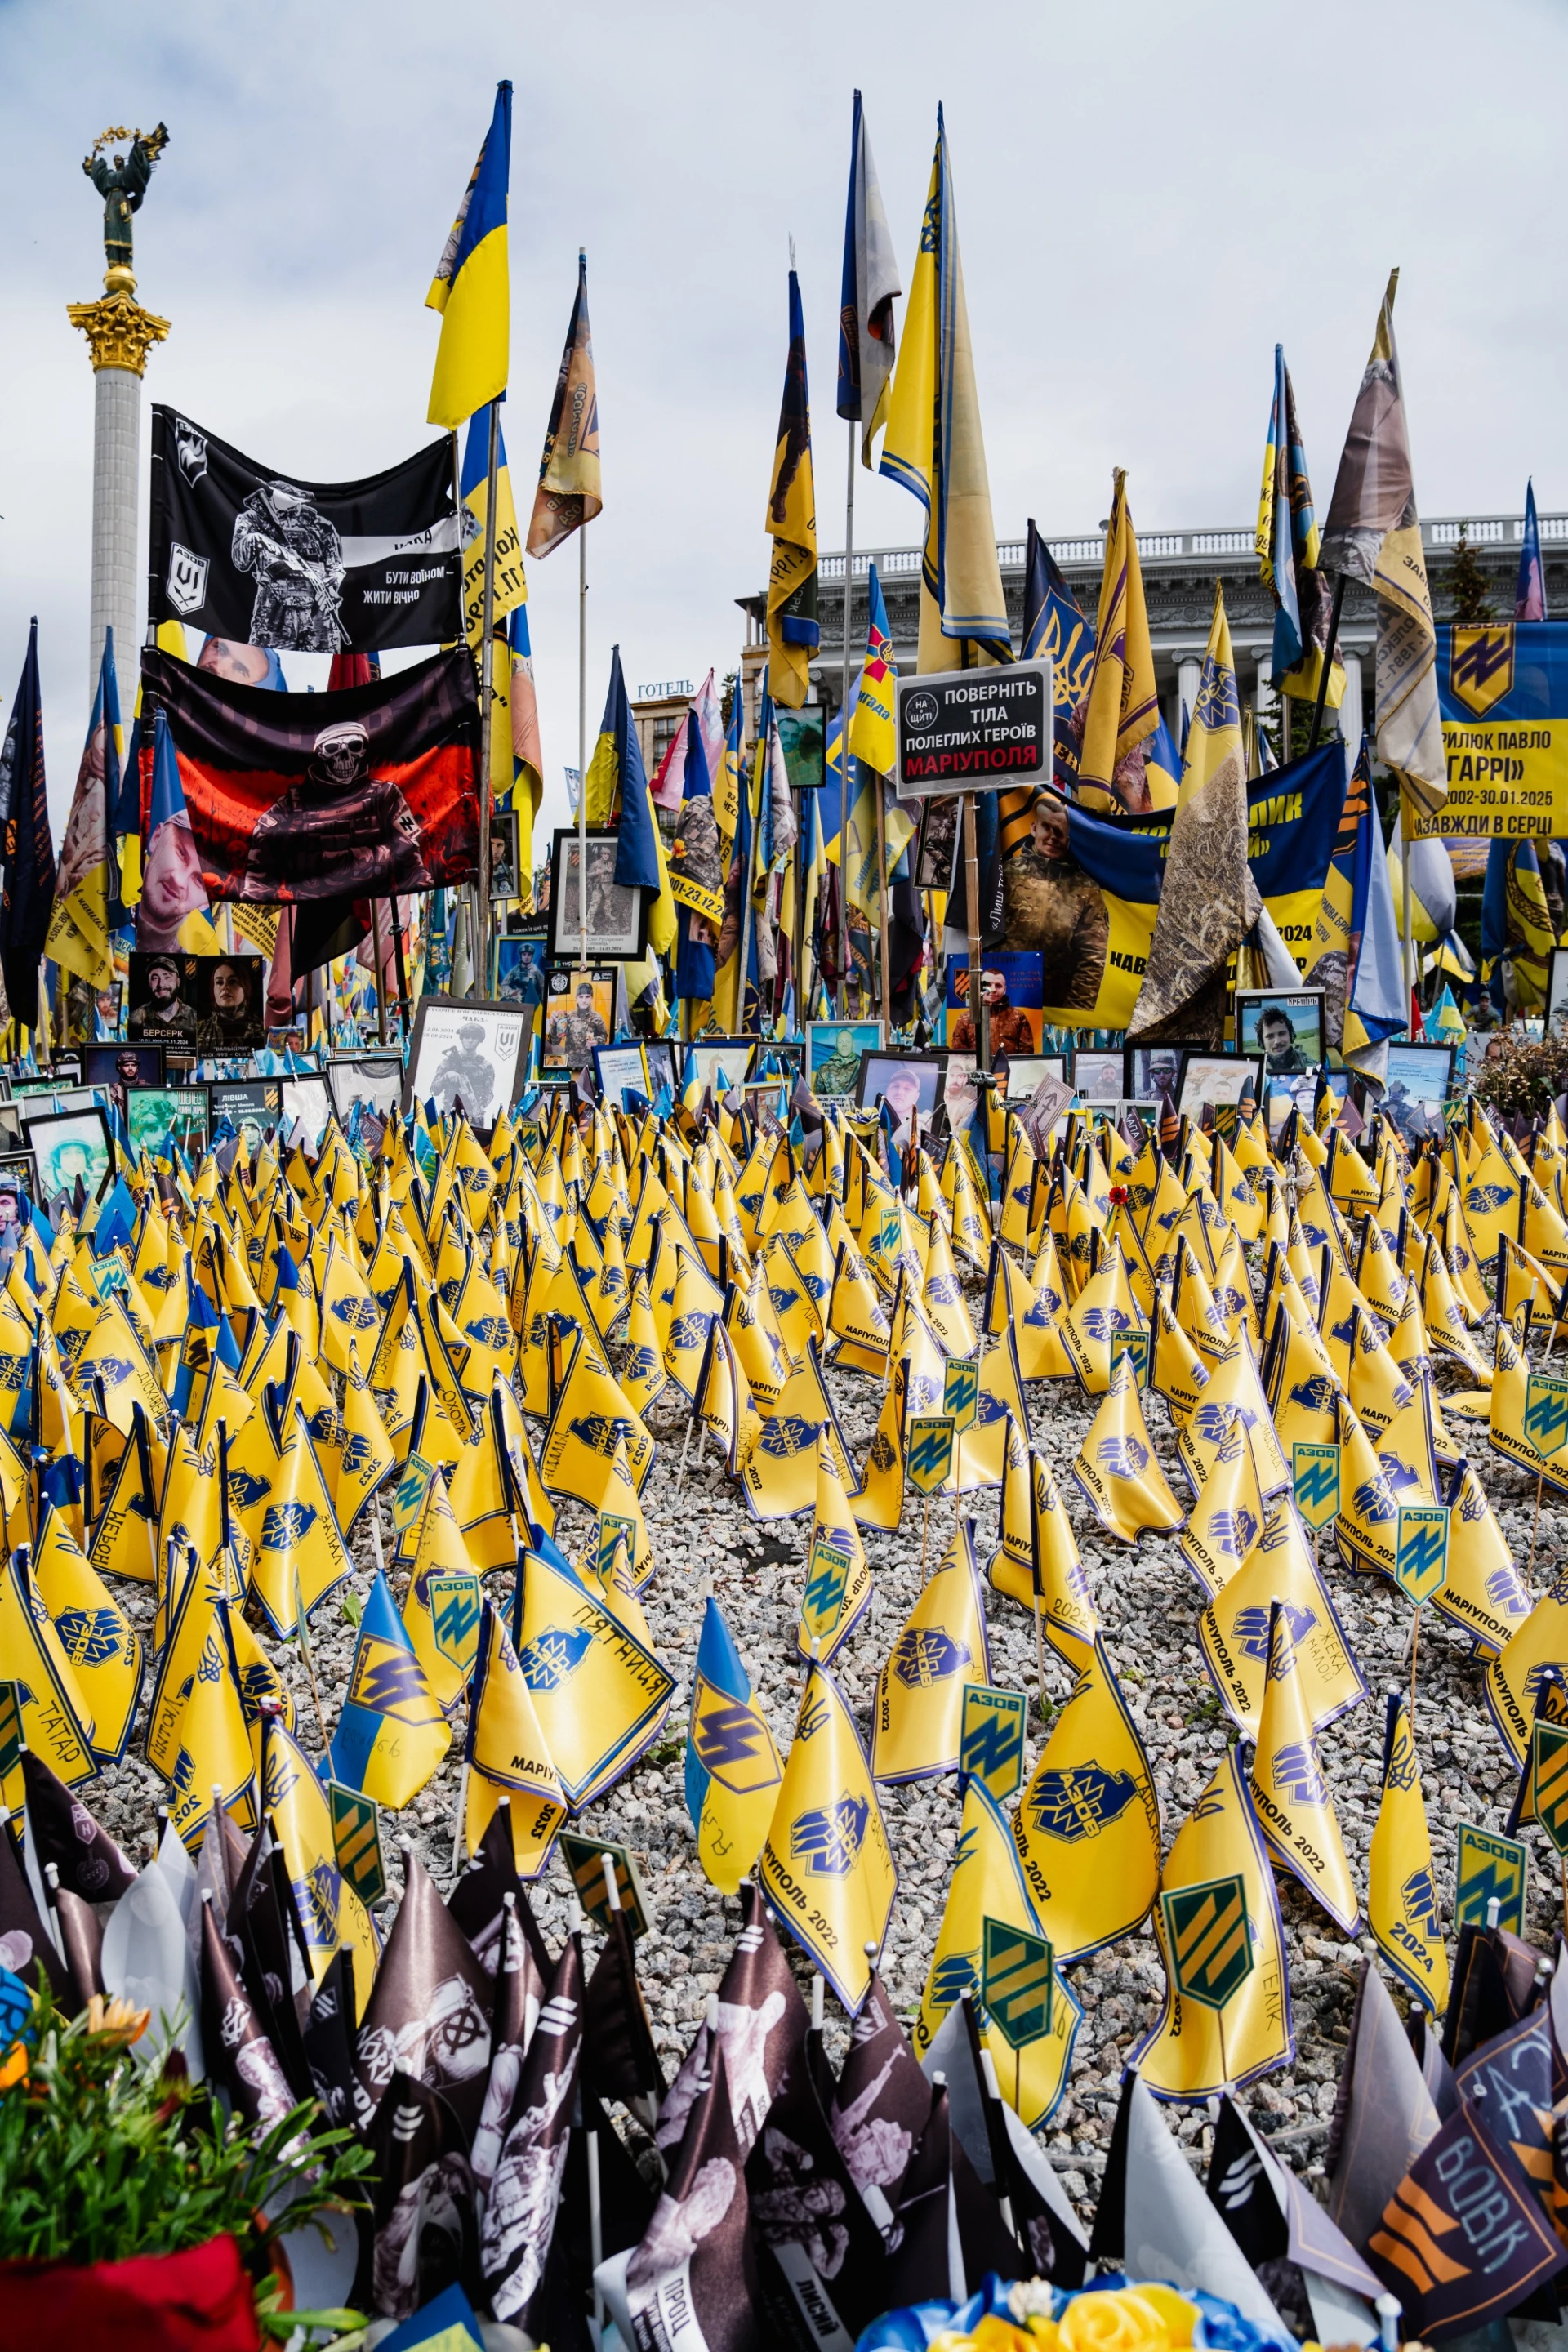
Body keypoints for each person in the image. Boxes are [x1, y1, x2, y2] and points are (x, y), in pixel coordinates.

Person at [239, 719, 431, 900]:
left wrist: (422, 881)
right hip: (310, 909)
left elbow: (410, 850)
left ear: (363, 751)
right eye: (333, 750)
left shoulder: (387, 796)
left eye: (354, 747)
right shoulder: (290, 807)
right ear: (321, 756)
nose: (345, 758)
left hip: (373, 906)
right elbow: (260, 869)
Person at [1000, 793, 1109, 1013]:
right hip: (1002, 1004)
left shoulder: (1086, 888)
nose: (1053, 837)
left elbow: (1092, 960)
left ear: (1068, 840)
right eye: (1047, 828)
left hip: (1056, 1015)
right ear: (1033, 829)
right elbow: (981, 937)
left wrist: (1074, 1015)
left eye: (1060, 832)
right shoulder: (1005, 874)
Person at [950, 967, 1034, 1058]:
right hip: (975, 1071)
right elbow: (959, 1055)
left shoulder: (1018, 1017)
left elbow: (1026, 1056)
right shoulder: (965, 1019)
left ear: (1005, 990)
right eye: (988, 985)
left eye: (998, 986)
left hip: (1010, 1071)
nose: (993, 989)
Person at [428, 1018, 500, 1119]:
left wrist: (481, 1106)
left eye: (474, 1037)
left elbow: (489, 1093)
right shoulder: (449, 1061)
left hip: (473, 1117)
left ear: (480, 1040)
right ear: (461, 1038)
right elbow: (433, 1090)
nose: (470, 1040)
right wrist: (447, 1076)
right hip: (449, 1114)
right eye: (466, 1037)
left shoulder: (486, 1066)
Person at [197, 957, 261, 1052]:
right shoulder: (198, 1029)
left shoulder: (260, 1029)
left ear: (245, 987)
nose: (225, 987)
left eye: (233, 981)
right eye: (219, 982)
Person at [129, 955, 198, 1043]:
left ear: (178, 982)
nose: (161, 984)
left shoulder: (195, 1020)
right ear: (149, 983)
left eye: (167, 977)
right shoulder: (134, 1020)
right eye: (155, 978)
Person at [544, 981, 608, 1071]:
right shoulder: (568, 1017)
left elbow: (604, 1036)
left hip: (590, 1066)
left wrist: (597, 1042)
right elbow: (554, 1042)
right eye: (581, 997)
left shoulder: (597, 1018)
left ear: (592, 998)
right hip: (570, 1066)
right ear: (576, 999)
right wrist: (554, 1026)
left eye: (587, 997)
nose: (584, 1000)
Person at [1257, 1004, 1308, 1076]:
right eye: (1270, 1036)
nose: (1277, 1041)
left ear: (1291, 1035)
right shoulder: (1255, 1070)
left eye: (1282, 1034)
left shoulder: (1311, 1066)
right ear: (1262, 1042)